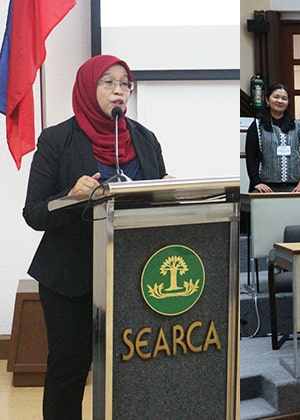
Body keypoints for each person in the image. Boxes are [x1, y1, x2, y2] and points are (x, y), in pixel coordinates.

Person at [23, 55, 170, 420]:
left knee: (132, 369)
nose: (119, 91)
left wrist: (169, 193)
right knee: (69, 371)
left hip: (132, 277)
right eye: (109, 83)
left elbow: (155, 199)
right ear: (89, 88)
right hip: (70, 279)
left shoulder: (146, 140)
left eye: (125, 84)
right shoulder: (57, 139)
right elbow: (34, 213)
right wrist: (69, 197)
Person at [245, 83, 300, 192]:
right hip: (266, 186)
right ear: (267, 100)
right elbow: (251, 157)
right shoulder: (257, 126)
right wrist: (256, 182)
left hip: (296, 186)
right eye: (276, 97)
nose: (280, 101)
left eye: (284, 98)